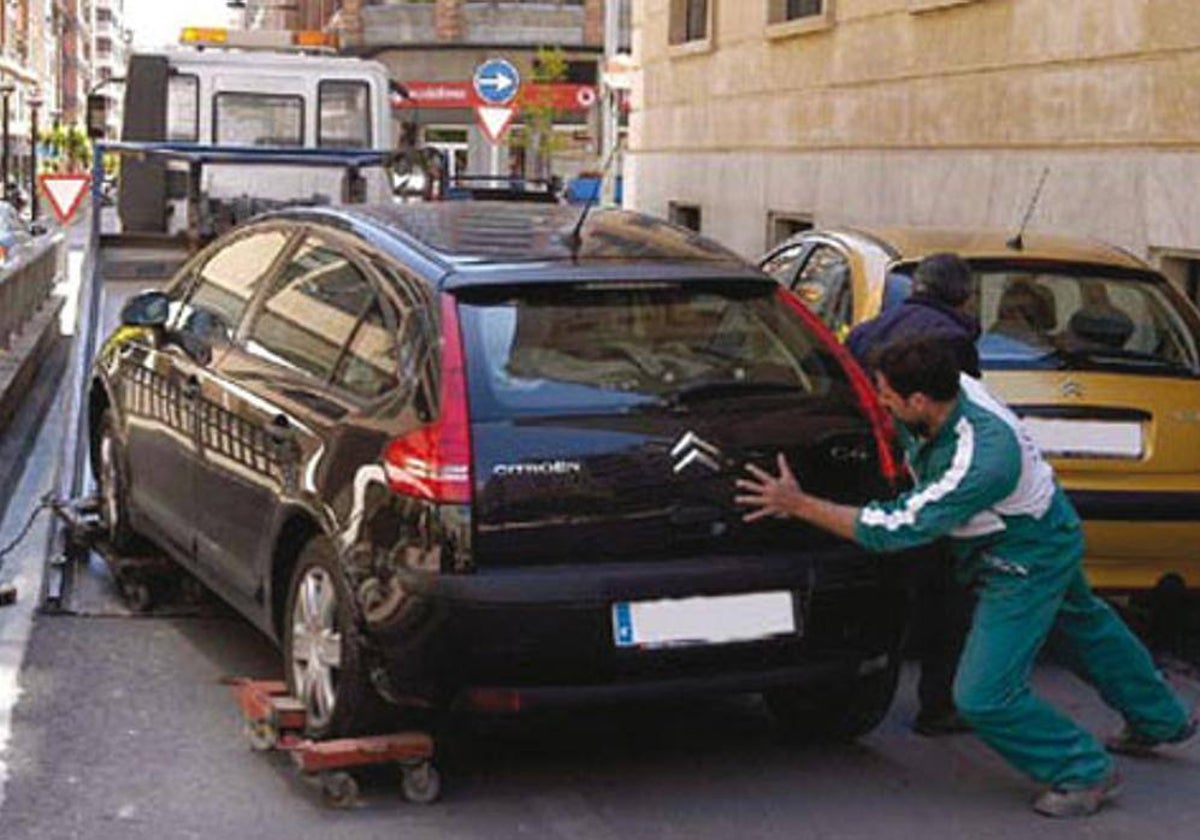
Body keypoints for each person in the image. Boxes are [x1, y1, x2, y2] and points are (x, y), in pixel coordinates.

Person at [735, 337, 1195, 818]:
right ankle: (1160, 718)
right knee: (1085, 628)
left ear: (918, 401)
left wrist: (799, 504)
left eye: (887, 394)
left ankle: (1082, 770)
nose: (880, 401)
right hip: (1037, 528)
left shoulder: (983, 457)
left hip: (1024, 554)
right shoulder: (943, 393)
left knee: (984, 695)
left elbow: (894, 529)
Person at [846, 253, 980, 737]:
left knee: (890, 583)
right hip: (926, 475)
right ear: (963, 295)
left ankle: (864, 683)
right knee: (946, 592)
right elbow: (956, 417)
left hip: (875, 470)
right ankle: (937, 706)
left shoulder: (866, 331)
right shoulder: (955, 342)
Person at [847, 252, 981, 378]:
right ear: (966, 296)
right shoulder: (954, 341)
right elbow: (965, 397)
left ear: (914, 287)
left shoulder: (863, 332)